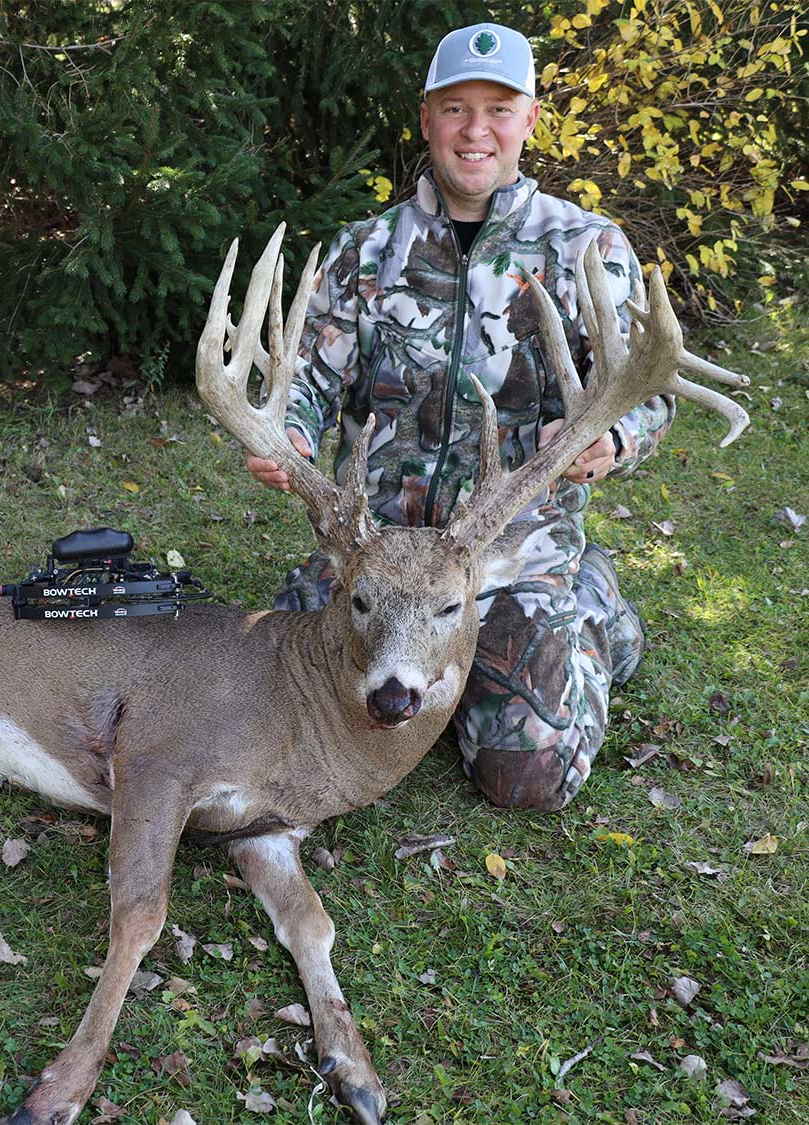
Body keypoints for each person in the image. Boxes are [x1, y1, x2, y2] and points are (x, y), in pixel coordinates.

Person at [248, 22, 668, 811]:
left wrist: (613, 437)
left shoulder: (587, 249)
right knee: (267, 692)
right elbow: (304, 376)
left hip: (508, 553)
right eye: (456, 108)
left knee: (524, 774)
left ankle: (591, 609)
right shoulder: (364, 251)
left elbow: (649, 393)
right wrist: (292, 432)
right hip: (375, 554)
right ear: (427, 119)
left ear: (531, 119)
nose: (477, 130)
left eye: (499, 109)